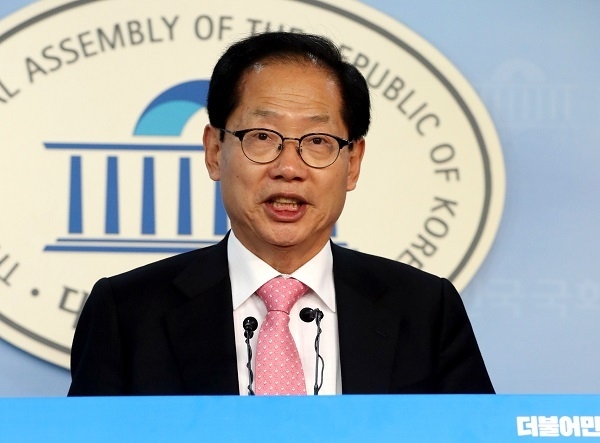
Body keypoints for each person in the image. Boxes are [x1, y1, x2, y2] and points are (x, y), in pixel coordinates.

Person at [68, 31, 494, 396]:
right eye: (262, 136)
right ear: (214, 151)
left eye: (318, 141)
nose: (289, 168)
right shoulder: (126, 314)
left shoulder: (425, 311)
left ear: (353, 162)